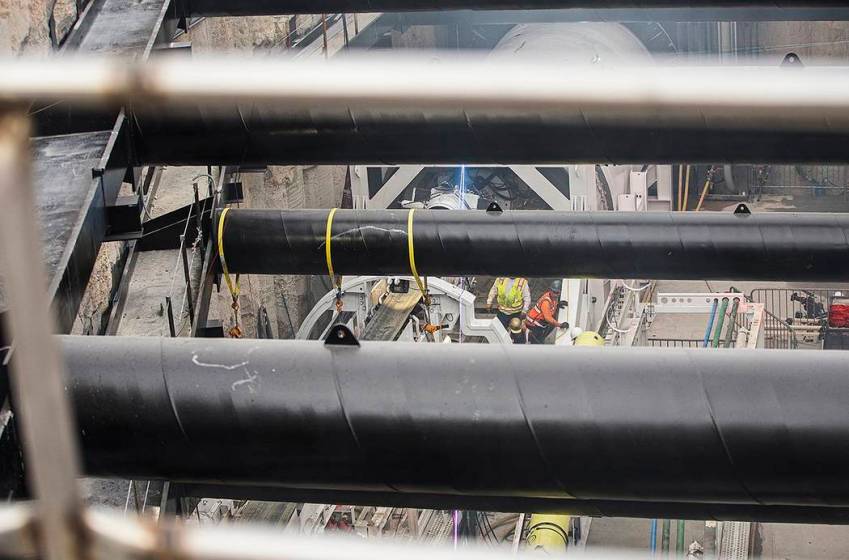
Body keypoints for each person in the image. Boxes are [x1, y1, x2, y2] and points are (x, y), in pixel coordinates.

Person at [525, 280, 569, 344]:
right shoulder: (546, 302)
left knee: (541, 337)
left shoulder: (553, 298)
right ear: (550, 290)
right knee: (537, 343)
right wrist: (560, 325)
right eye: (554, 292)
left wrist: (558, 304)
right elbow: (548, 318)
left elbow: (552, 305)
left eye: (557, 293)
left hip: (540, 324)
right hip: (533, 325)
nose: (555, 294)